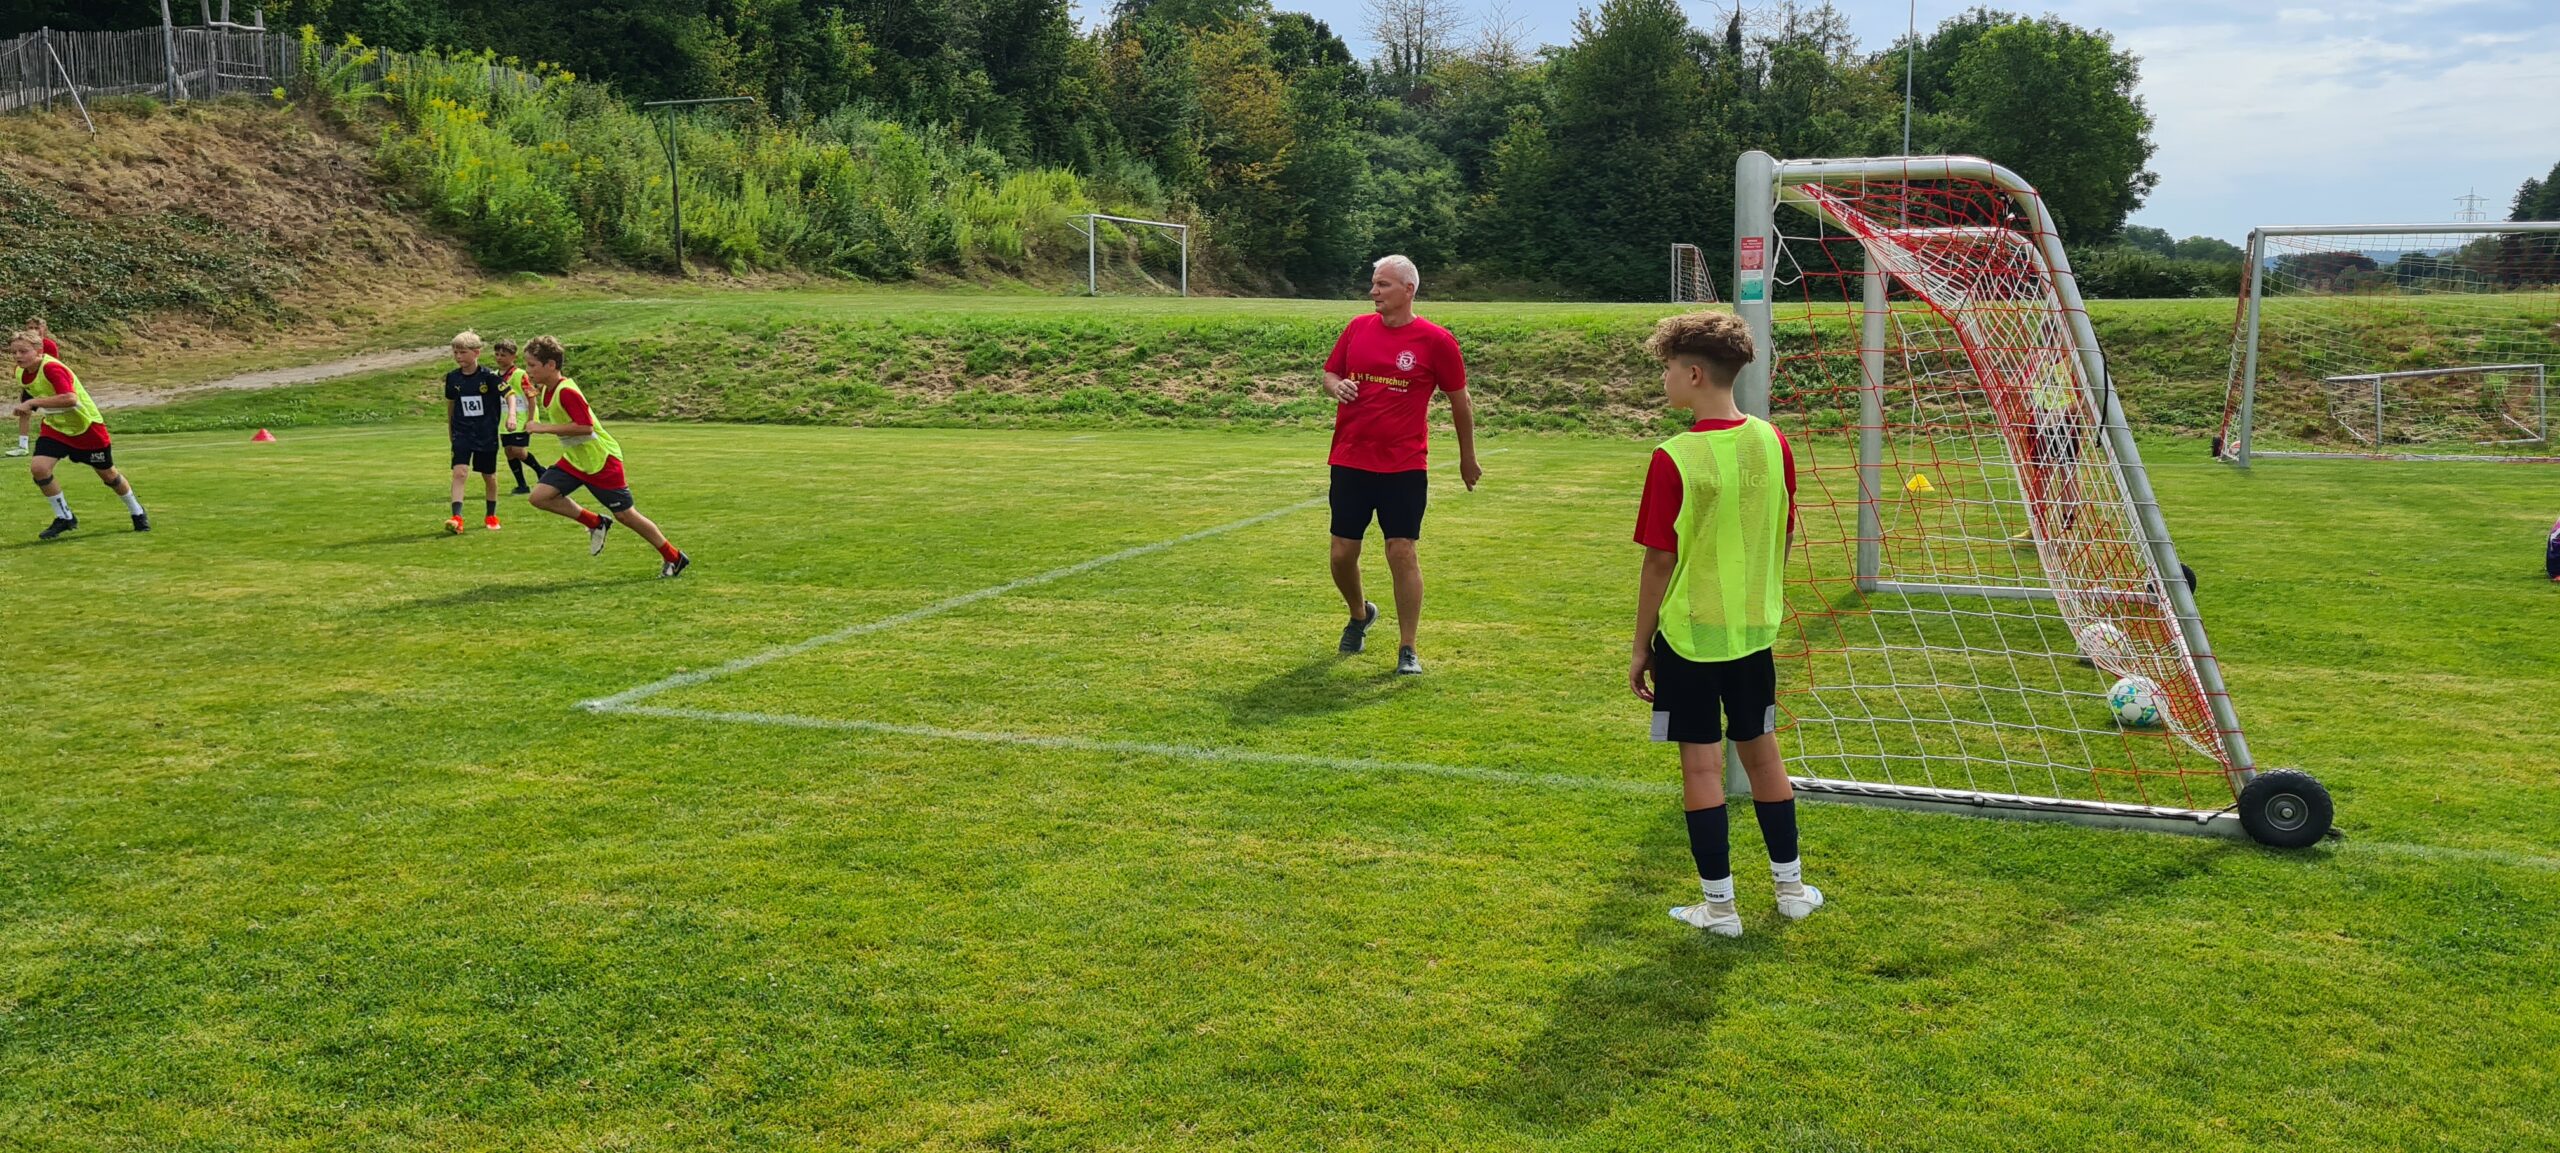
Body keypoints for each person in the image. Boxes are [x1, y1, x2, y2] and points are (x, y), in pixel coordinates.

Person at [1626, 311, 1818, 938]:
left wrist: (1640, 646)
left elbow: (1660, 561)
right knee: (1764, 756)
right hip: (1753, 635)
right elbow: (1783, 532)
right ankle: (1791, 890)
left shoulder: (1674, 456)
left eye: (1666, 369)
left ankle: (1720, 908)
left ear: (1694, 374)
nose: (1663, 380)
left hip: (1689, 638)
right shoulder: (1773, 441)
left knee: (1702, 770)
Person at [1320, 254, 1480, 675]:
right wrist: (1337, 387)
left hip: (1404, 465)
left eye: (1383, 284)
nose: (1373, 291)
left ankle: (1408, 647)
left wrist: (1467, 457)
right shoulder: (1357, 328)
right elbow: (1330, 374)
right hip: (1351, 458)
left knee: (1402, 551)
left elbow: (1460, 401)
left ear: (1408, 290)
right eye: (1374, 283)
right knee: (1342, 554)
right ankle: (1360, 614)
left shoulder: (1437, 341)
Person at [519, 335, 690, 578]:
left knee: (626, 516)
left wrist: (543, 428)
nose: (528, 370)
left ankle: (674, 557)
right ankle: (596, 522)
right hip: (577, 459)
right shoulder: (548, 388)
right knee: (539, 497)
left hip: (601, 460)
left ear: (551, 365)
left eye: (532, 365)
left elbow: (585, 427)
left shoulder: (567, 392)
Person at [10, 328, 148, 539]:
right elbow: (33, 395)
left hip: (86, 427)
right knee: (39, 468)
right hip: (56, 427)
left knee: (108, 475)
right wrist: (27, 409)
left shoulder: (53, 368)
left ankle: (137, 511)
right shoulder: (21, 372)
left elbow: (70, 399)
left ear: (38, 351)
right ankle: (65, 517)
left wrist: (33, 403)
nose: (18, 356)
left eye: (23, 351)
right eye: (14, 352)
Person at [443, 331, 506, 534]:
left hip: (486, 434)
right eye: (455, 352)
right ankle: (457, 518)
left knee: (489, 476)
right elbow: (451, 405)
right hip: (462, 432)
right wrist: (451, 429)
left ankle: (491, 515)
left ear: (476, 352)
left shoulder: (489, 377)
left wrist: (512, 415)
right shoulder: (452, 378)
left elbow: (510, 394)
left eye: (462, 352)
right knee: (459, 472)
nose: (458, 356)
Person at [492, 338, 547, 495]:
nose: (499, 358)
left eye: (503, 355)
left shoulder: (520, 374)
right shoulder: (494, 376)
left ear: (513, 357)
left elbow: (531, 396)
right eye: (497, 354)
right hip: (504, 419)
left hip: (522, 417)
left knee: (518, 450)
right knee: (509, 451)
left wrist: (531, 419)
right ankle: (521, 485)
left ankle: (540, 470)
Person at [8, 316, 56, 458]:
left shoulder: (49, 345)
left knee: (54, 412)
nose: (34, 330)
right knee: (24, 412)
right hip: (31, 384)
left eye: (37, 327)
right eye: (30, 328)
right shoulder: (22, 346)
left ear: (44, 329)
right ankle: (23, 446)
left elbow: (53, 365)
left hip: (46, 385)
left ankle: (60, 441)